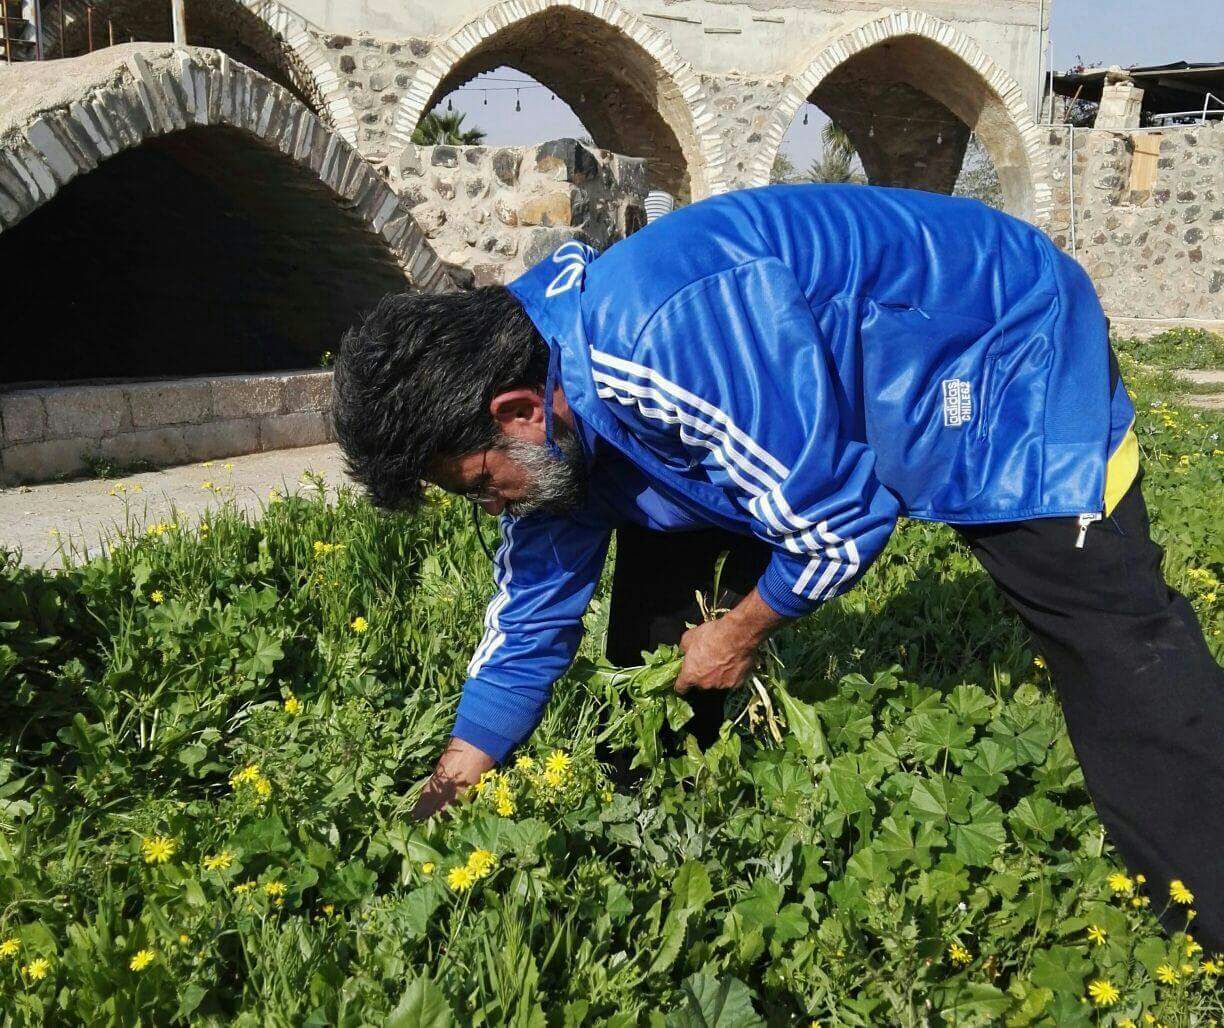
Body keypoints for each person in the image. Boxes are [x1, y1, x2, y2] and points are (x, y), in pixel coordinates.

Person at [332, 184, 1224, 949]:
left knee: (1115, 640)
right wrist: (446, 789)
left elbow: (839, 524)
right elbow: (527, 620)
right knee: (653, 617)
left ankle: (1205, 909)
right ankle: (675, 842)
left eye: (482, 485)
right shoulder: (546, 407)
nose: (492, 508)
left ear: (520, 408)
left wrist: (741, 630)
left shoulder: (658, 345)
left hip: (995, 339)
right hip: (781, 386)